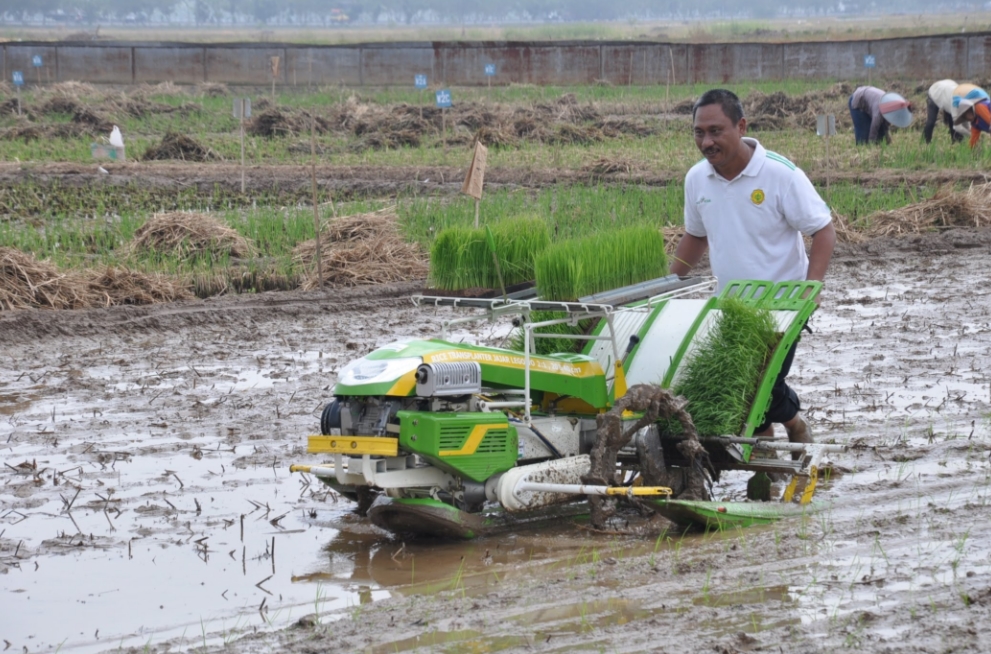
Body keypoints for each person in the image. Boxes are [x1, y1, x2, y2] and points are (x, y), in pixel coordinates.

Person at [670, 88, 836, 450]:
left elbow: (823, 230)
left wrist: (812, 288)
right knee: (740, 385)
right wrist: (667, 282)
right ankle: (768, 459)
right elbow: (695, 237)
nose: (706, 141)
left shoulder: (780, 175)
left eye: (716, 131)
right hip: (731, 305)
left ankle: (789, 428)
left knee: (764, 383)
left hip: (784, 306)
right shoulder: (697, 179)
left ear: (741, 125)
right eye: (699, 132)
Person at [849, 86, 913, 145]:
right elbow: (874, 129)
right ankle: (861, 149)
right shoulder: (879, 112)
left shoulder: (891, 107)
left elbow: (885, 126)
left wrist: (887, 139)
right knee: (864, 135)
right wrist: (871, 145)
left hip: (870, 100)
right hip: (857, 100)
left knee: (880, 135)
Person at [924, 79, 971, 144]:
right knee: (931, 121)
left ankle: (956, 143)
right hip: (935, 92)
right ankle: (926, 142)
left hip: (947, 90)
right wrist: (971, 134)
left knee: (952, 121)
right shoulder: (955, 103)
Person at [952, 83, 991, 148]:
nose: (968, 116)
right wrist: (970, 152)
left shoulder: (979, 107)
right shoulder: (975, 125)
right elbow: (973, 141)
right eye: (965, 115)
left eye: (968, 112)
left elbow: (989, 120)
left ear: (971, 109)